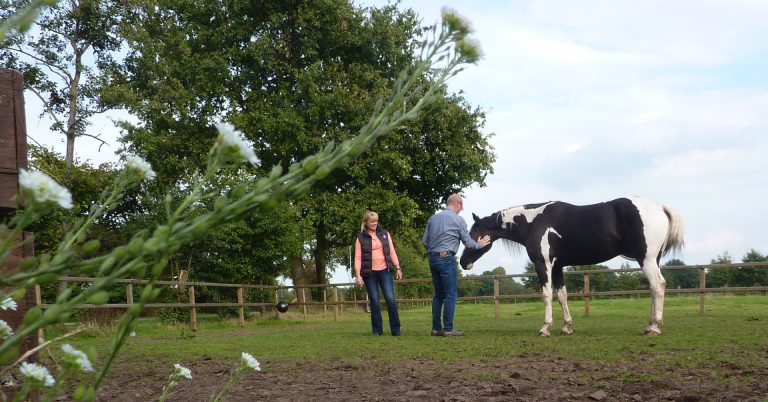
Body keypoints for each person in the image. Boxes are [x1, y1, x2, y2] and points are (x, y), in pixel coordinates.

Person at [422, 194, 490, 336]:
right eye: (461, 207)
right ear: (458, 204)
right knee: (450, 294)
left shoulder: (432, 219)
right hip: (447, 259)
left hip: (433, 259)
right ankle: (448, 329)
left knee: (438, 295)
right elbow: (468, 242)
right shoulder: (458, 220)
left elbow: (425, 241)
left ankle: (436, 328)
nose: (461, 210)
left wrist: (434, 250)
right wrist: (480, 244)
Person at [354, 211, 403, 336]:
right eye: (372, 221)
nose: (375, 223)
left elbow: (392, 251)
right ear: (366, 223)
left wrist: (398, 267)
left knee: (390, 299)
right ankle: (377, 331)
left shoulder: (385, 234)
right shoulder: (360, 238)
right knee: (374, 301)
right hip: (369, 273)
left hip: (385, 270)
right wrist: (358, 275)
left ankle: (396, 330)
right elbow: (358, 258)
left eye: (376, 221)